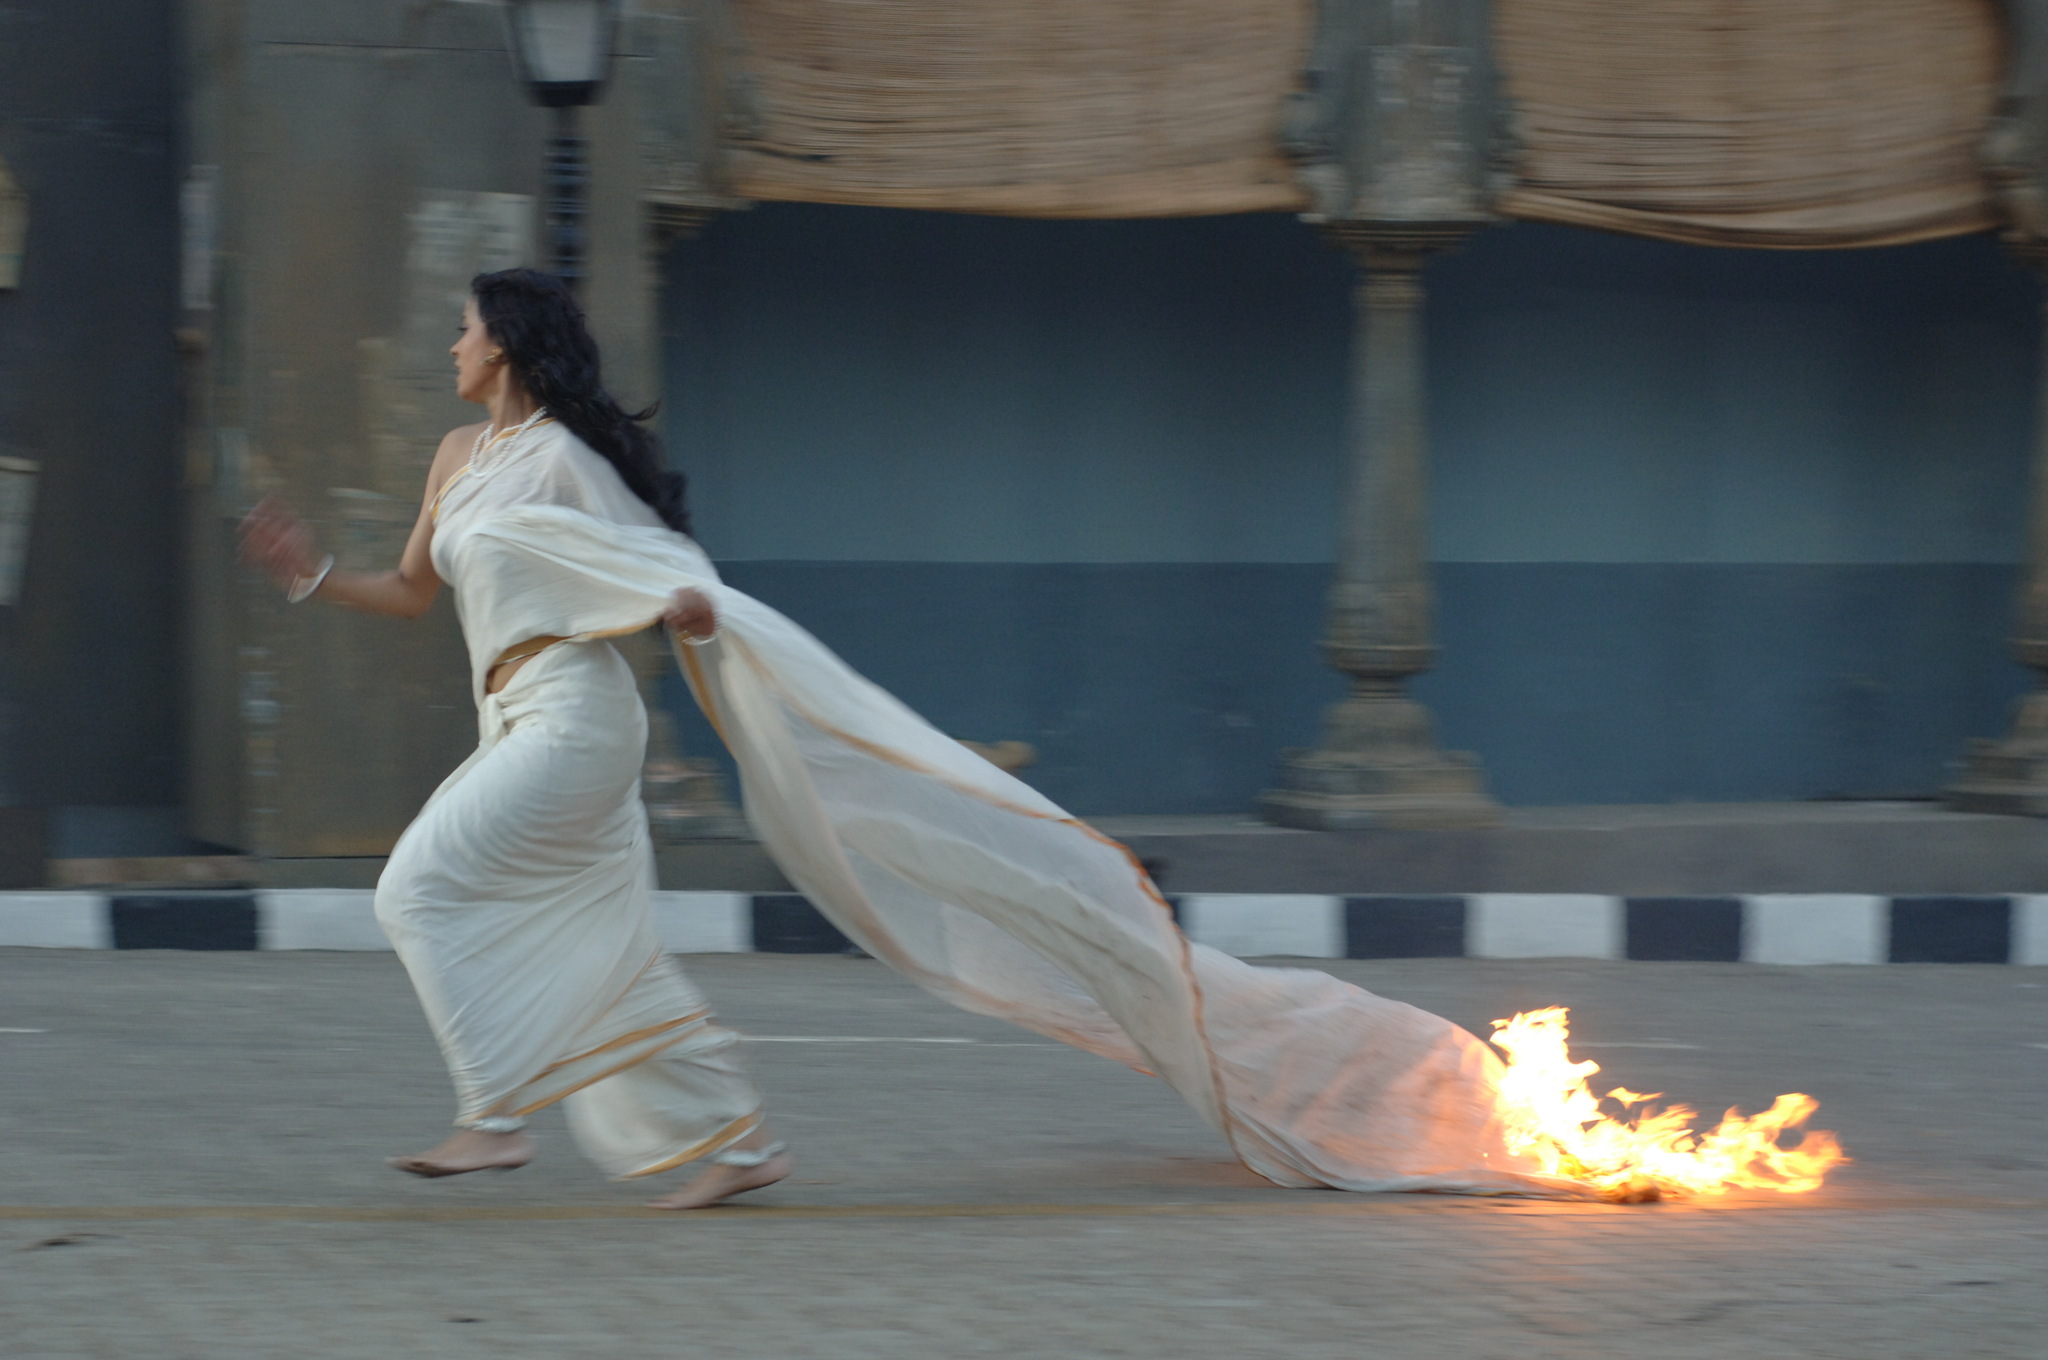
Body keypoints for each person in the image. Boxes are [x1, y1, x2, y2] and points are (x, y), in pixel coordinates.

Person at [245, 267, 1568, 1208]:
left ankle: (491, 1119)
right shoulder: (453, 463)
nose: (451, 345)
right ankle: (736, 1145)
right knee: (604, 941)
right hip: (510, 713)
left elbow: (651, 567)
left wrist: (684, 601)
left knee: (418, 883)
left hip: (577, 716)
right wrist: (312, 576)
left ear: (512, 348)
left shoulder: (568, 462)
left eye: (466, 329)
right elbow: (416, 592)